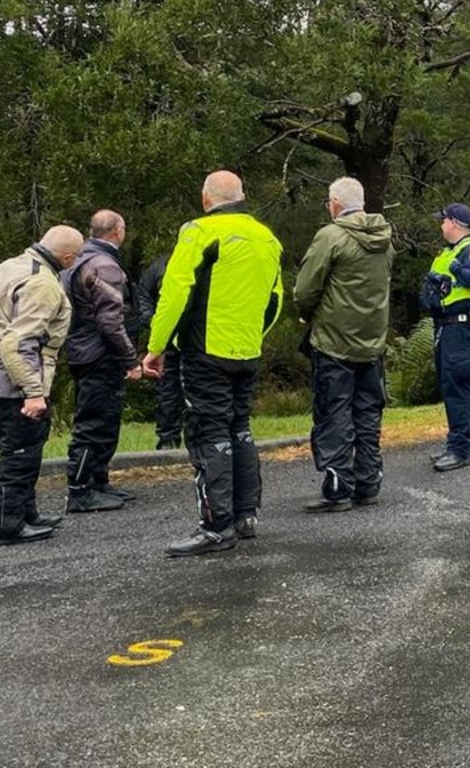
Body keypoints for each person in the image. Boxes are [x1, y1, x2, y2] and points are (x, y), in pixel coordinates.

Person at [143, 170, 283, 557]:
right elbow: (276, 300)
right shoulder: (267, 238)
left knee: (209, 432)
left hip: (205, 349)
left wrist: (158, 345)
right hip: (246, 348)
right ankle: (245, 516)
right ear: (242, 195)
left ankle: (215, 525)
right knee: (240, 427)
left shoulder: (199, 233)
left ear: (206, 198)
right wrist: (254, 335)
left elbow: (174, 293)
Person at [0, 225, 84, 545]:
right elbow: (17, 343)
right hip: (16, 385)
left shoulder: (8, 266)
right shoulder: (43, 284)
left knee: (22, 453)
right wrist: (33, 391)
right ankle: (6, 527)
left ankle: (25, 513)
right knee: (19, 457)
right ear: (68, 258)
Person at [293, 177, 394, 512]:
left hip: (334, 341)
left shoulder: (331, 236)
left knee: (334, 413)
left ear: (335, 203)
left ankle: (338, 488)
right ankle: (369, 483)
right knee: (367, 413)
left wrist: (307, 315)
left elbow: (306, 290)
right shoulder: (385, 239)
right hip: (372, 341)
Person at [62, 210, 142, 513]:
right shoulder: (105, 265)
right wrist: (130, 359)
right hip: (99, 353)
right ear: (118, 231)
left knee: (104, 419)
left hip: (82, 349)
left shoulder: (77, 261)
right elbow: (111, 322)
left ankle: (99, 481)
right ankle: (81, 490)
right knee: (95, 422)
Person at [422, 203, 470, 472]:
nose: (440, 225)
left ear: (453, 223)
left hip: (462, 328)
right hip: (447, 328)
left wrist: (455, 269)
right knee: (450, 386)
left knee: (458, 386)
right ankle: (460, 444)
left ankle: (460, 450)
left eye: (443, 221)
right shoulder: (449, 251)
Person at [137, 253, 184, 450]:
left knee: (201, 389)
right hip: (168, 338)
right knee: (169, 390)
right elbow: (143, 295)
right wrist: (154, 322)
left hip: (201, 337)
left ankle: (201, 437)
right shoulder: (161, 265)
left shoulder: (209, 262)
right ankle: (168, 438)